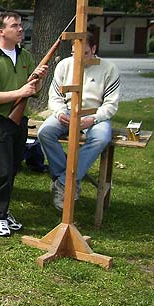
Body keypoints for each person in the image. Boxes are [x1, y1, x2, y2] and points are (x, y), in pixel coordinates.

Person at [0, 12, 48, 237]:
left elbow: (33, 93)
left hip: (19, 121)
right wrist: (20, 91)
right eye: (14, 26)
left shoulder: (25, 56)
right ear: (1, 31)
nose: (20, 29)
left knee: (12, 169)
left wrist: (39, 80)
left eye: (20, 25)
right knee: (3, 169)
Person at [37, 32, 120, 211]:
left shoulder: (109, 68)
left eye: (86, 53)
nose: (80, 58)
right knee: (45, 132)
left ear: (94, 49)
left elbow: (111, 104)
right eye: (75, 53)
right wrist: (59, 113)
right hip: (67, 111)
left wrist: (93, 118)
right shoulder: (64, 65)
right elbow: (55, 96)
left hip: (95, 114)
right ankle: (65, 180)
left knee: (101, 138)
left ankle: (64, 182)